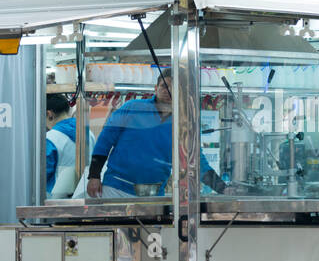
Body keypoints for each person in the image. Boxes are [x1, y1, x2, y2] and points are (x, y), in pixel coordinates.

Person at [80, 68, 226, 197]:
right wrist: (94, 175)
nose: (167, 91)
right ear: (156, 88)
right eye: (164, 86)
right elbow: (104, 141)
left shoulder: (184, 123)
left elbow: (196, 161)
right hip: (116, 188)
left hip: (153, 194)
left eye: (173, 87)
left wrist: (223, 189)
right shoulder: (132, 108)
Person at [45, 93, 89, 199]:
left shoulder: (51, 138)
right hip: (85, 199)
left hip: (56, 204)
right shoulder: (88, 132)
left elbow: (42, 175)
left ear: (49, 114)